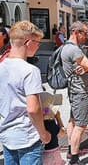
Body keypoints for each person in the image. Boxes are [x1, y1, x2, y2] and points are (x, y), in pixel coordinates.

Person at [0, 21, 51, 164]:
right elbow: (33, 109)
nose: (38, 46)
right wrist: (44, 134)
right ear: (28, 42)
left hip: (7, 135)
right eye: (37, 43)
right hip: (27, 136)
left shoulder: (1, 66)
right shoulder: (30, 70)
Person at [61, 21, 88, 165]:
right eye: (85, 33)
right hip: (80, 92)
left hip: (74, 90)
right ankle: (74, 159)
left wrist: (84, 68)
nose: (87, 36)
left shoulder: (68, 47)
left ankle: (71, 150)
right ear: (76, 32)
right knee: (81, 125)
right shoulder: (74, 50)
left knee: (73, 122)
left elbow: (83, 67)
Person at [40, 93, 66, 165]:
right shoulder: (50, 123)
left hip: (40, 154)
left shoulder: (35, 123)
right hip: (52, 154)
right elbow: (62, 133)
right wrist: (58, 118)